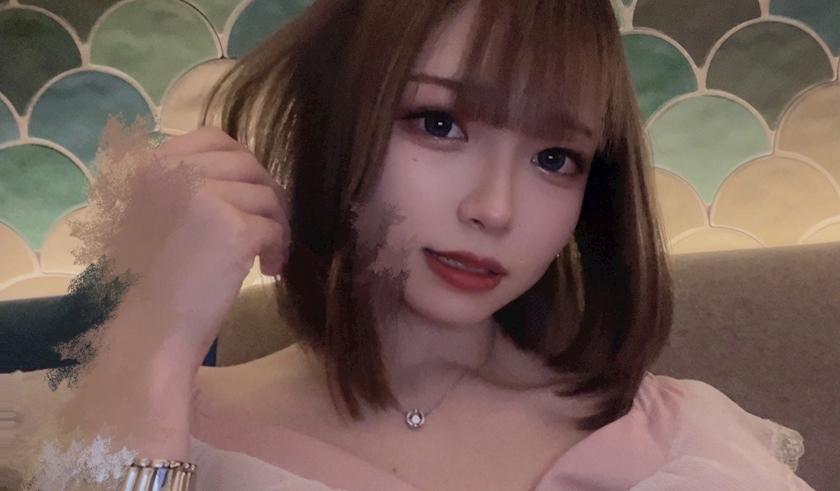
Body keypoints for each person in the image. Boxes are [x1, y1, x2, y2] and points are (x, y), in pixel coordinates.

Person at [9, 0, 813, 490]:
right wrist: (154, 352)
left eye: (554, 158)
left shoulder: (683, 442)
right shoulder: (139, 428)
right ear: (333, 123)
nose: (494, 208)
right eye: (438, 122)